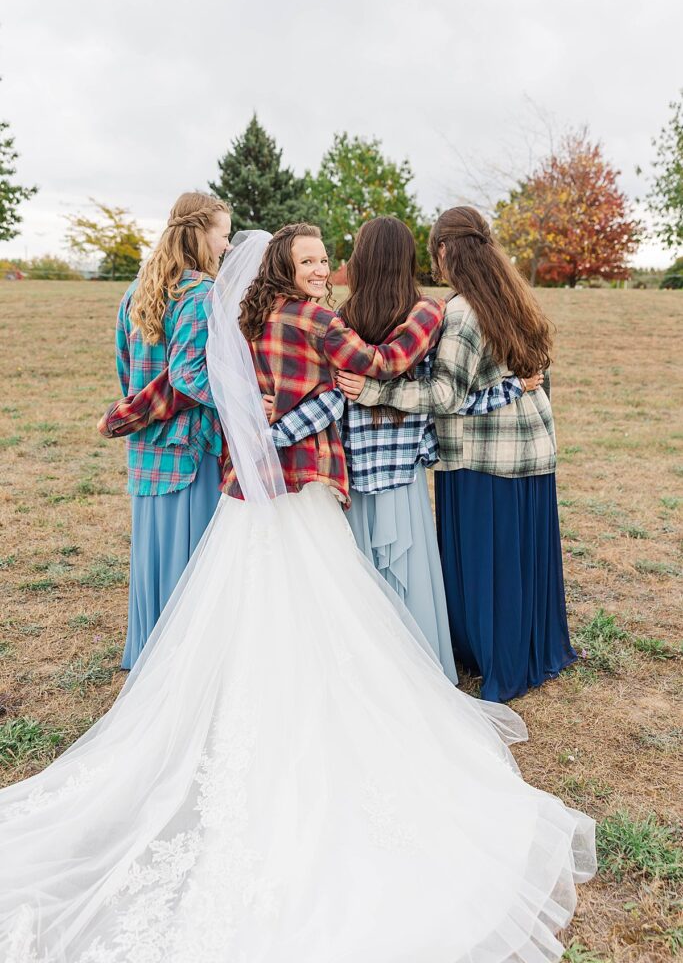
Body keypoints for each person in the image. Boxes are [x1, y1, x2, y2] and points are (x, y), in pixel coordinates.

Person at [0, 228, 594, 962]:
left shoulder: (241, 320)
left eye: (324, 260)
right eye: (309, 260)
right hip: (303, 490)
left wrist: (183, 420)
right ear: (284, 266)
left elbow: (201, 387)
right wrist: (426, 318)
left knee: (246, 606)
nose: (321, 270)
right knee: (326, 604)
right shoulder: (315, 320)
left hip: (247, 499)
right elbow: (372, 369)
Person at [268, 217, 542, 683]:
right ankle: (418, 674)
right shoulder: (426, 316)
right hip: (403, 474)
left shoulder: (340, 321)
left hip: (353, 474)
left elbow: (325, 397)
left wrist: (275, 421)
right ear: (406, 260)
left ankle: (369, 674)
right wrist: (511, 388)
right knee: (408, 575)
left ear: (361, 260)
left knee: (359, 578)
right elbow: (448, 399)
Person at [338, 206, 576, 703]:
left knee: (491, 566)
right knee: (522, 561)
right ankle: (534, 651)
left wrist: (376, 391)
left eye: (435, 253)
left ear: (445, 250)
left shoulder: (463, 313)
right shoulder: (511, 295)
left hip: (484, 454)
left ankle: (500, 661)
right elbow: (537, 372)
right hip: (533, 447)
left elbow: (445, 393)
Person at [114, 191, 230, 669]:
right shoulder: (200, 292)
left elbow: (125, 369)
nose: (227, 245)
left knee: (154, 550)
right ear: (201, 234)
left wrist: (140, 412)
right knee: (191, 557)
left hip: (146, 448)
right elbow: (189, 377)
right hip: (189, 450)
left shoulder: (136, 289)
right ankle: (183, 664)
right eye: (223, 235)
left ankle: (150, 651)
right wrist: (240, 400)